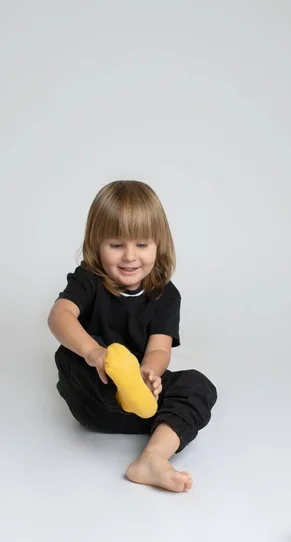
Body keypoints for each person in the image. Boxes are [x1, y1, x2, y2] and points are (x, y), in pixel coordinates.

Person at [48, 180, 217, 492]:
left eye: (142, 245)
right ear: (96, 244)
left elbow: (159, 349)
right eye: (116, 245)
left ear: (159, 244)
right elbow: (59, 316)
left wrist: (150, 373)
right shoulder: (89, 279)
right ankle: (115, 370)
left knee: (198, 386)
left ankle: (152, 458)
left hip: (139, 405)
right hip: (92, 394)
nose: (129, 256)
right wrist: (93, 352)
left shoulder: (166, 296)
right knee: (73, 360)